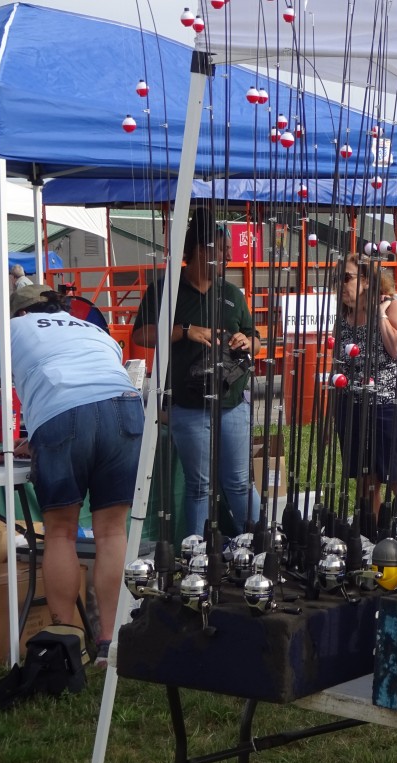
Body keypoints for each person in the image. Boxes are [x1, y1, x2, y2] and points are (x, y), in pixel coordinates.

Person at [0, 284, 142, 668]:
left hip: (64, 417)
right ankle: (109, 643)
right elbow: (97, 389)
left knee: (60, 530)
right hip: (127, 409)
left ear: (19, 313)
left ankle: (66, 643)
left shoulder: (14, 330)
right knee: (112, 531)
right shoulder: (94, 330)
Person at [132, 209, 260, 538]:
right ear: (202, 251)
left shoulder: (231, 293)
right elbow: (141, 335)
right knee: (199, 487)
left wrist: (248, 341)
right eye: (223, 250)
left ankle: (262, 547)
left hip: (232, 402)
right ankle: (196, 555)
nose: (229, 256)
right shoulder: (165, 289)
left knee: (239, 483)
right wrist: (184, 330)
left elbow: (255, 338)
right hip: (188, 406)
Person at [333, 252, 397, 519]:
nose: (340, 285)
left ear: (366, 280)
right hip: (352, 405)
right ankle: (371, 536)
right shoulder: (343, 315)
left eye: (346, 278)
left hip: (388, 404)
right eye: (337, 279)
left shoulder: (391, 306)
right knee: (366, 481)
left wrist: (379, 315)